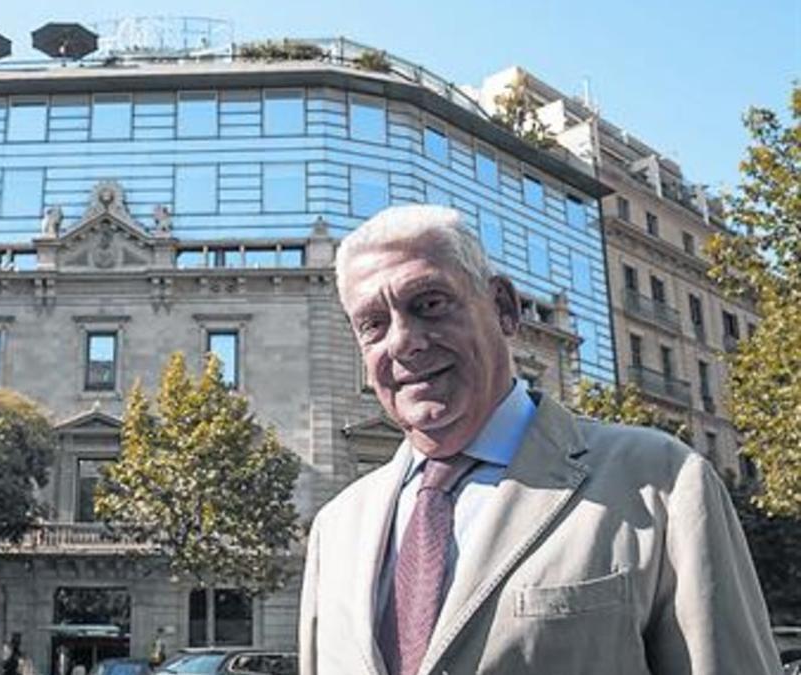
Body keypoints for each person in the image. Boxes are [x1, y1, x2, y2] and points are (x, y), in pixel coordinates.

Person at [298, 205, 777, 674]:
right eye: (373, 325)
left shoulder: (663, 482)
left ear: (504, 307)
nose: (403, 342)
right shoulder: (336, 528)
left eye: (429, 305)